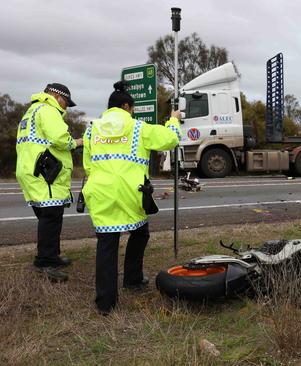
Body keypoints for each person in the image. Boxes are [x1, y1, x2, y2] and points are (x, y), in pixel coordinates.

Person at [82, 81, 181, 315]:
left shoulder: (91, 128)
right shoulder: (138, 127)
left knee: (107, 244)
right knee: (140, 232)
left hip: (100, 192)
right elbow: (170, 139)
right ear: (127, 106)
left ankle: (105, 304)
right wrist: (173, 119)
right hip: (130, 193)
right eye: (132, 108)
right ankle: (133, 279)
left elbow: (88, 164)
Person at [15, 83, 83, 282]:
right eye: (66, 102)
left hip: (30, 170)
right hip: (45, 173)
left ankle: (51, 255)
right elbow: (61, 139)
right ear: (57, 96)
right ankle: (45, 262)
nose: (66, 107)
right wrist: (76, 142)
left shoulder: (31, 111)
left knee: (47, 215)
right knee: (51, 217)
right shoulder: (48, 109)